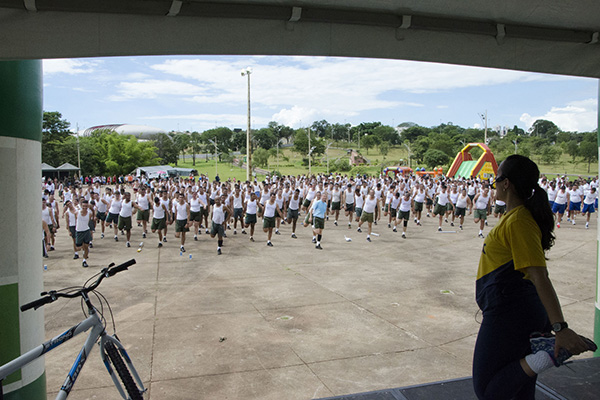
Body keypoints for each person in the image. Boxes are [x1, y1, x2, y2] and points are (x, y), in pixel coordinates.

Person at [472, 155, 597, 400]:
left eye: (496, 179)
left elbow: (540, 276)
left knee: (488, 390)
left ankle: (547, 355)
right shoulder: (513, 218)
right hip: (516, 310)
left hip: (510, 313)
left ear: (506, 183)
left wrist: (560, 328)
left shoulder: (519, 221)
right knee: (520, 391)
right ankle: (541, 357)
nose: (494, 184)